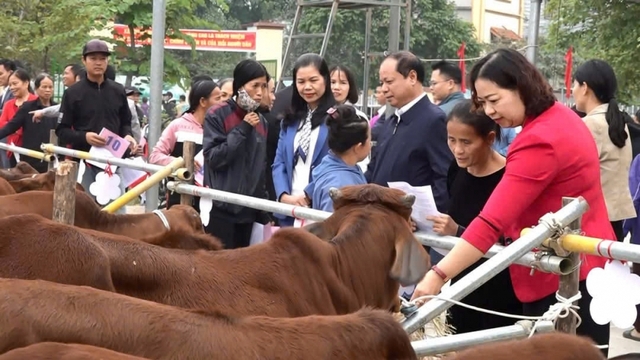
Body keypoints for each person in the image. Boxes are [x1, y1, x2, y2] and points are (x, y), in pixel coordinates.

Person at [411, 48, 614, 354]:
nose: (489, 112)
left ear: (521, 86)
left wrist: (437, 275)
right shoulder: (561, 117)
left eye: (494, 100)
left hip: (565, 279)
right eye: (483, 103)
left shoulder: (539, 140)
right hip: (583, 268)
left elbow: (491, 221)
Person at [428, 100, 522, 333]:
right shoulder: (456, 169)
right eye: (452, 140)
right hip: (462, 282)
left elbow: (510, 237)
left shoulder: (509, 179)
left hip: (500, 288)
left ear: (490, 139)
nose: (458, 149)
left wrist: (458, 231)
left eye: (466, 142)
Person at [365, 51, 452, 213]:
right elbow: (374, 169)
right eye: (382, 82)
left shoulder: (434, 120)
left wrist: (423, 216)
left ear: (412, 77)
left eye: (389, 81)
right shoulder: (392, 121)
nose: (384, 89)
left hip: (410, 227)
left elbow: (445, 178)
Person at [56, 39, 136, 207]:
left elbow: (125, 122)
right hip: (85, 162)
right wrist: (85, 137)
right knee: (87, 214)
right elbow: (61, 131)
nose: (98, 62)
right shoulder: (73, 93)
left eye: (103, 58)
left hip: (114, 163)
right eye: (93, 58)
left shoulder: (118, 90)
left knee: (116, 215)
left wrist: (128, 135)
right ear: (84, 61)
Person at [202, 60, 270, 249]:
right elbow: (215, 158)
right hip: (222, 210)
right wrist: (243, 129)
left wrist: (263, 209)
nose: (260, 92)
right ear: (240, 86)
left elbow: (260, 167)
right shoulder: (217, 114)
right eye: (254, 85)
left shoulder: (263, 123)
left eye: (263, 86)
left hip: (249, 212)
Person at [572, 59, 636, 242]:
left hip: (594, 219)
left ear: (585, 87)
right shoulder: (617, 122)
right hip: (615, 217)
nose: (572, 91)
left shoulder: (589, 124)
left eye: (575, 84)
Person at [272, 53, 334, 226]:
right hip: (289, 211)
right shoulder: (289, 120)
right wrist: (284, 196)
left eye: (313, 80)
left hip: (321, 209)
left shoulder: (338, 118)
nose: (307, 87)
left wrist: (308, 195)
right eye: (301, 82)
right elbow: (279, 163)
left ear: (326, 80)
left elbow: (337, 164)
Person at [150, 80, 221, 210]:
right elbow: (155, 157)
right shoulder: (177, 126)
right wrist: (181, 163)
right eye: (218, 98)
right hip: (179, 199)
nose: (223, 103)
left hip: (212, 201)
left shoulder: (222, 129)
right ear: (203, 102)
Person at [304, 104, 370, 212]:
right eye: (369, 139)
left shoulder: (330, 164)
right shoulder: (340, 185)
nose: (370, 144)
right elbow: (334, 226)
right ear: (358, 147)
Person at [0, 73, 57, 173]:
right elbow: (11, 126)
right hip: (31, 159)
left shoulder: (57, 109)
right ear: (37, 89)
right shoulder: (27, 107)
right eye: (44, 87)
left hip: (54, 158)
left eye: (50, 87)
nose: (48, 90)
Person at [0, 68, 38, 167]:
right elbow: (2, 123)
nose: (12, 87)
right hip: (13, 150)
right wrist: (18, 129)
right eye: (10, 85)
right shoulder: (8, 104)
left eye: (15, 83)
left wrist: (15, 128)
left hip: (33, 151)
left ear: (26, 83)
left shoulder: (36, 102)